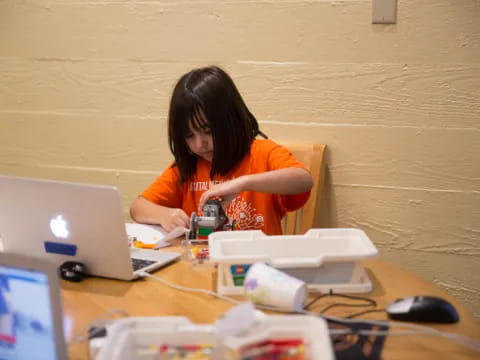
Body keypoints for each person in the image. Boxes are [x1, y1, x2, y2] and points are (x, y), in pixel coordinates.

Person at [130, 66, 313, 235]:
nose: (199, 144)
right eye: (189, 136)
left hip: (258, 266)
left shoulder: (262, 154)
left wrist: (242, 183)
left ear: (230, 121)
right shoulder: (188, 168)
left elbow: (303, 179)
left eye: (208, 131)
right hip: (201, 265)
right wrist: (164, 215)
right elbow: (137, 207)